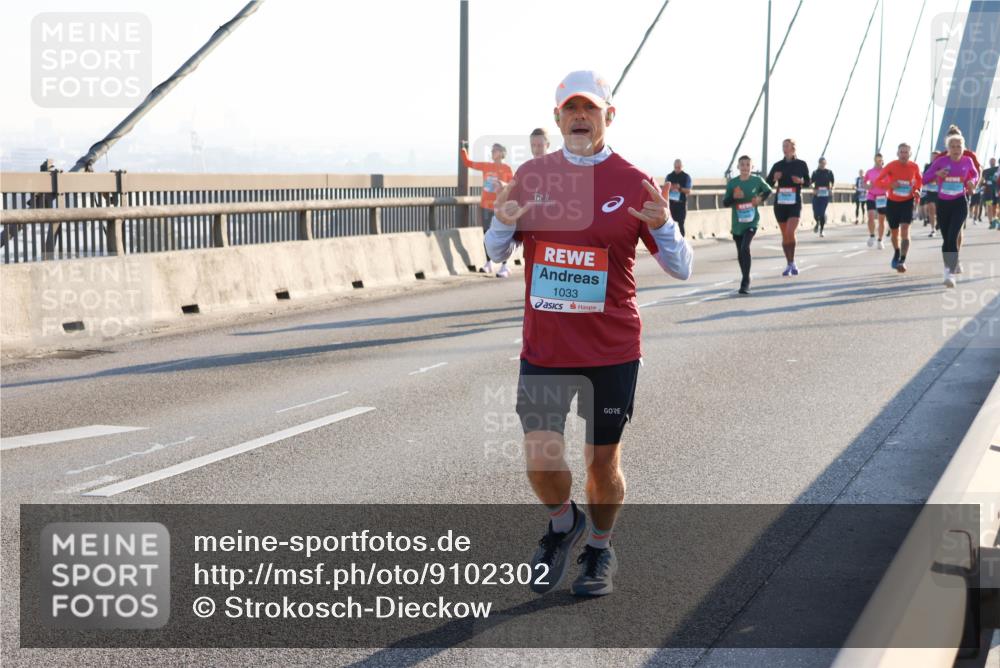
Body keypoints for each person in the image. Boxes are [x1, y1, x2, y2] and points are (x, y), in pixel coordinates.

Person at [484, 70, 693, 597]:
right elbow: (494, 252)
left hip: (611, 349)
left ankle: (599, 546)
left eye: (590, 109)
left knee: (603, 464)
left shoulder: (632, 180)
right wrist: (503, 224)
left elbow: (682, 267)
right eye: (570, 110)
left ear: (608, 116)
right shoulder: (532, 176)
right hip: (547, 348)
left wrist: (665, 224)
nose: (580, 118)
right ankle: (562, 524)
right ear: (557, 119)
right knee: (540, 457)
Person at [926, 133, 978, 287]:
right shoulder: (941, 161)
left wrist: (971, 182)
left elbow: (975, 175)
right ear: (948, 148)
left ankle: (949, 273)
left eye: (959, 146)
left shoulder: (968, 161)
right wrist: (937, 173)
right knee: (946, 239)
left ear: (963, 148)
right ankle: (948, 267)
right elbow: (924, 178)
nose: (956, 149)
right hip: (943, 203)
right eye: (953, 146)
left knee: (952, 237)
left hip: (960, 203)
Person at [461, 142, 514, 277]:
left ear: (502, 153)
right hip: (485, 206)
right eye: (492, 150)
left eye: (495, 150)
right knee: (486, 235)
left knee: (502, 236)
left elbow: (513, 186)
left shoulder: (507, 169)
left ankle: (504, 266)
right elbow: (468, 163)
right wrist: (463, 150)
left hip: (500, 207)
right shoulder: (486, 166)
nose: (493, 153)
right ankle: (488, 263)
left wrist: (504, 184)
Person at [724, 155, 772, 294]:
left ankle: (745, 281)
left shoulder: (757, 180)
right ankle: (746, 275)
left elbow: (768, 191)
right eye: (742, 165)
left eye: (747, 165)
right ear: (738, 167)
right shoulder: (733, 183)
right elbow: (725, 202)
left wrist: (760, 198)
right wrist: (734, 197)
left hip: (752, 221)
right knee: (740, 253)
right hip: (737, 223)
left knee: (745, 248)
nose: (745, 167)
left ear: (752, 167)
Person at [873, 143, 922, 273]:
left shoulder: (914, 167)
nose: (904, 154)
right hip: (892, 202)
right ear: (897, 153)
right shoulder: (891, 165)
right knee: (895, 232)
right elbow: (877, 181)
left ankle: (902, 260)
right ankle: (897, 252)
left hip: (907, 201)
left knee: (905, 229)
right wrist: (890, 185)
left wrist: (917, 191)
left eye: (906, 152)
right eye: (901, 152)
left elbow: (919, 182)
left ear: (910, 154)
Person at [766, 139, 810, 275]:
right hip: (780, 204)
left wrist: (801, 181)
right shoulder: (777, 165)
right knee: (785, 235)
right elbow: (767, 183)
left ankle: (792, 262)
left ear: (793, 148)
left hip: (795, 202)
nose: (784, 148)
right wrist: (774, 178)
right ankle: (789, 263)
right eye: (783, 146)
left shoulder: (801, 164)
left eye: (787, 146)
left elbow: (808, 182)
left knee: (790, 232)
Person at [864, 154, 888, 249]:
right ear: (874, 160)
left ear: (882, 161)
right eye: (877, 160)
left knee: (881, 220)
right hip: (871, 196)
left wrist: (885, 185)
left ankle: (880, 240)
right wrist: (867, 186)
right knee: (871, 216)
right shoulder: (870, 172)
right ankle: (872, 235)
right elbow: (864, 182)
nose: (878, 162)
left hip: (882, 197)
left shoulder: (886, 171)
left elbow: (891, 182)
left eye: (880, 160)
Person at [664, 159, 693, 238]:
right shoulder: (669, 176)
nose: (677, 169)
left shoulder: (686, 177)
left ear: (682, 167)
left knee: (681, 224)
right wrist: (670, 188)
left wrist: (679, 188)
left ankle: (682, 242)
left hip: (681, 204)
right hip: (671, 204)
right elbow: (664, 189)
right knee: (669, 224)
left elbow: (689, 191)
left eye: (679, 167)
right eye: (675, 167)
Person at [811, 157, 835, 237]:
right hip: (817, 195)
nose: (822, 164)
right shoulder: (815, 172)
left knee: (821, 213)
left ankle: (821, 230)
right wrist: (813, 189)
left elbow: (833, 183)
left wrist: (832, 189)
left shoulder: (829, 172)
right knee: (815, 213)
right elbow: (811, 182)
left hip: (825, 196)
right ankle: (817, 222)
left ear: (826, 163)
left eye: (824, 163)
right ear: (819, 163)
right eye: (821, 163)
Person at [920, 161, 939, 238]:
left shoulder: (942, 165)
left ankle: (938, 224)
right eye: (933, 156)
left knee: (939, 211)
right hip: (930, 192)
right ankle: (933, 229)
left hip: (940, 192)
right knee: (931, 210)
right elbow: (924, 178)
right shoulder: (928, 166)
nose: (934, 158)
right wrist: (932, 179)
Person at [983, 158, 998, 228]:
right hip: (988, 192)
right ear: (989, 162)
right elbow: (981, 181)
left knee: (995, 207)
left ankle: (995, 219)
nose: (992, 162)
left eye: (993, 161)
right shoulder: (985, 171)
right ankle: (990, 222)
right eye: (991, 161)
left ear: (995, 162)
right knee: (989, 206)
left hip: (996, 191)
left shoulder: (998, 169)